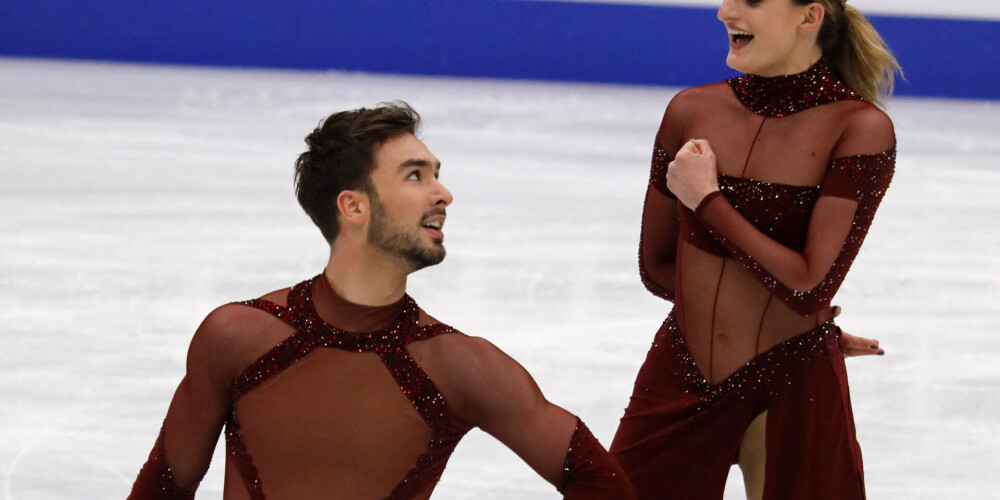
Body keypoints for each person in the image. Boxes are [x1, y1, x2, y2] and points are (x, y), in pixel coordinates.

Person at [128, 102, 635, 499]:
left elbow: (599, 483)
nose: (444, 194)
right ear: (352, 206)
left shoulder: (459, 368)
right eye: (416, 176)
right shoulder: (237, 337)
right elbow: (163, 490)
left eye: (436, 174)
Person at [609, 0, 899, 498]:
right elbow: (657, 268)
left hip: (795, 379)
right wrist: (758, 311)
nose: (725, 11)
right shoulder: (689, 111)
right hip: (683, 370)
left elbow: (807, 287)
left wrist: (707, 200)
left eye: (751, 1)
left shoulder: (859, 129)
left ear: (809, 18)